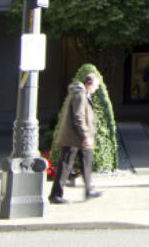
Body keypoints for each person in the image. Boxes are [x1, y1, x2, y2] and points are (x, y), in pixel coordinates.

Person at [49, 71, 103, 204]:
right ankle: (55, 195)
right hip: (74, 137)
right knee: (66, 164)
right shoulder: (80, 94)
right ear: (89, 84)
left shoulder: (83, 94)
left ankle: (89, 190)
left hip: (78, 137)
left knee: (86, 162)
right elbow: (78, 117)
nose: (97, 88)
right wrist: (85, 136)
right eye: (96, 85)